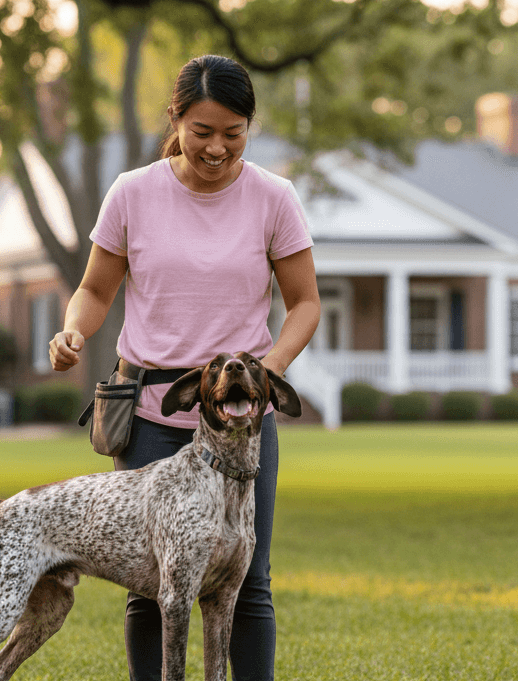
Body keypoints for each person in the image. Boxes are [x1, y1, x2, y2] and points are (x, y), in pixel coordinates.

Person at [49, 54, 320, 681]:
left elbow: (304, 304)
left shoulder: (274, 199)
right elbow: (94, 291)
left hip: (240, 422)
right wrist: (72, 331)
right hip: (149, 413)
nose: (218, 148)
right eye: (202, 132)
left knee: (249, 583)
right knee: (149, 587)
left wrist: (264, 375)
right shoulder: (132, 193)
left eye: (234, 132)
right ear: (175, 120)